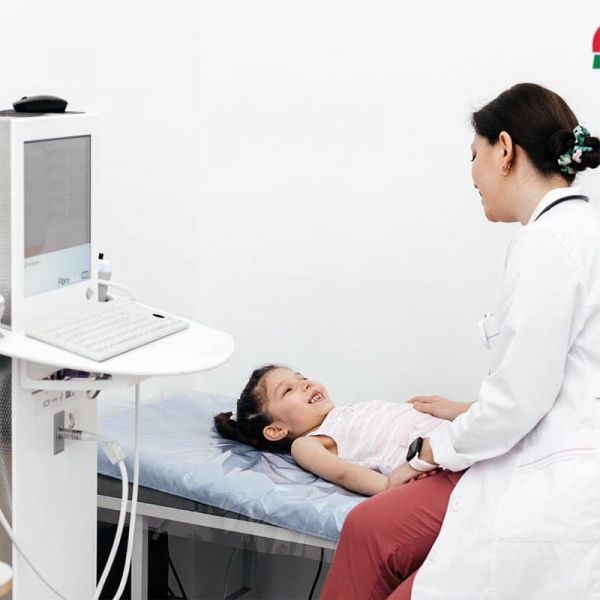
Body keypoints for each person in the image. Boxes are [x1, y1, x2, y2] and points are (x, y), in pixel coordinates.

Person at [320, 82, 600, 600]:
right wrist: (468, 411)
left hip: (549, 481)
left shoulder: (546, 243)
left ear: (505, 150)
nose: (471, 175)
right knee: (369, 528)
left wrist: (428, 450)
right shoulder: (577, 230)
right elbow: (559, 377)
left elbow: (518, 402)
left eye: (474, 155)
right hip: (525, 446)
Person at [214, 365, 472, 495]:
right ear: (276, 430)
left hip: (455, 432)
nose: (305, 384)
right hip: (433, 458)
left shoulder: (347, 413)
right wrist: (387, 485)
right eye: (288, 390)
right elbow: (343, 473)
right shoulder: (306, 443)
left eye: (302, 378)